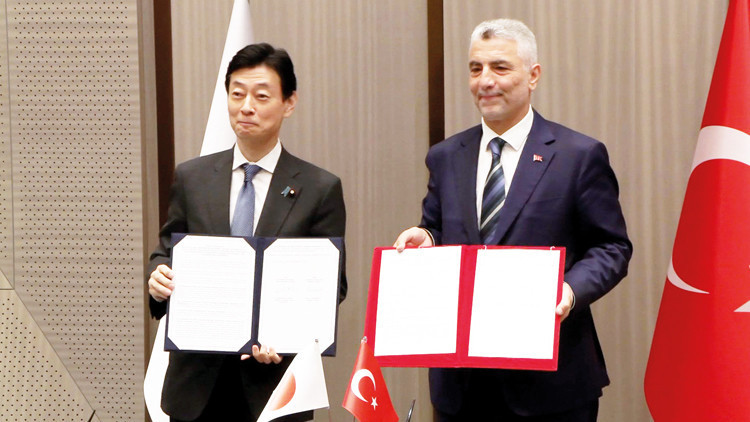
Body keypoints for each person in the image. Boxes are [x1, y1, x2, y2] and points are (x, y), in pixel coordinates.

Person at [393, 19, 632, 421]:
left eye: (500, 67)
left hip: (551, 385)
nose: (485, 81)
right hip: (462, 385)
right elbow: (436, 228)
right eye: (475, 69)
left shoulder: (578, 155)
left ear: (533, 75)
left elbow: (612, 247)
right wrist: (425, 238)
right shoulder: (447, 156)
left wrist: (569, 291)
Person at [146, 43, 346, 422]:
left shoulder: (319, 188)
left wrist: (287, 337)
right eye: (237, 94)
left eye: (261, 96)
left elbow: (331, 285)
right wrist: (157, 277)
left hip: (274, 387)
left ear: (289, 102)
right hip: (195, 387)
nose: (246, 107)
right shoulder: (192, 177)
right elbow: (167, 251)